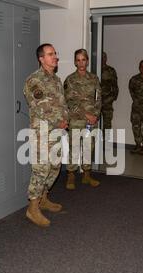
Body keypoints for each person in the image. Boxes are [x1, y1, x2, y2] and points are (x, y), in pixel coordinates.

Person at [23, 43, 69, 227]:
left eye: (55, 53)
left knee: (55, 166)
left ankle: (43, 198)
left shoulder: (56, 80)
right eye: (50, 54)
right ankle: (32, 209)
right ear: (41, 59)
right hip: (41, 131)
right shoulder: (34, 80)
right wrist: (58, 121)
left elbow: (62, 103)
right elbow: (40, 106)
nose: (55, 57)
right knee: (41, 169)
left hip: (57, 130)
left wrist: (65, 119)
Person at [64, 48, 102, 190]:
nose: (81, 63)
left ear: (87, 61)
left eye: (83, 59)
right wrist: (87, 115)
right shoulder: (70, 80)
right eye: (78, 60)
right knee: (74, 147)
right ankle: (71, 175)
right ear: (75, 62)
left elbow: (99, 99)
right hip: (75, 120)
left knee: (88, 147)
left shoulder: (94, 79)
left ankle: (86, 175)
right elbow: (70, 102)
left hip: (91, 121)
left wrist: (95, 116)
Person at [101, 52, 119, 133]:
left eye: (104, 57)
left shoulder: (111, 70)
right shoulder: (93, 68)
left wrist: (111, 99)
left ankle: (106, 143)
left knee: (107, 124)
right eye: (101, 57)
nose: (102, 59)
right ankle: (96, 143)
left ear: (106, 58)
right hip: (94, 101)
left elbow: (115, 87)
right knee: (92, 123)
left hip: (107, 101)